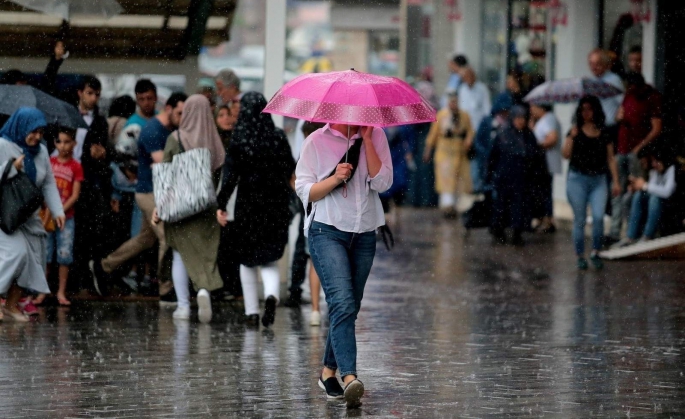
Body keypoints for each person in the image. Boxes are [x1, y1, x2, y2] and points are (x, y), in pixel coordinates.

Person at [296, 119, 392, 408]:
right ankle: (349, 377)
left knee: (350, 305)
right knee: (342, 301)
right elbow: (305, 191)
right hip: (327, 230)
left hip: (364, 233)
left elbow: (383, 182)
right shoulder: (316, 141)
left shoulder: (376, 136)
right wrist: (336, 178)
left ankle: (328, 372)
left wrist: (368, 140)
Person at [91, 93, 187, 297]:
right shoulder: (153, 130)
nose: (182, 117)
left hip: (158, 192)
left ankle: (104, 266)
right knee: (168, 238)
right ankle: (166, 287)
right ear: (168, 109)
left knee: (145, 239)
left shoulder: (170, 129)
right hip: (149, 193)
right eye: (179, 112)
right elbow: (162, 164)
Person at [216, 92, 295, 328]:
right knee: (269, 259)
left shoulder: (240, 139)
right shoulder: (278, 136)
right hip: (276, 206)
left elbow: (229, 177)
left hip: (248, 207)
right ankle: (271, 295)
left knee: (246, 260)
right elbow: (290, 168)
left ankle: (251, 312)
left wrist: (220, 205)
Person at [153, 94, 226, 323]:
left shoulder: (175, 138)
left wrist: (160, 206)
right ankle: (204, 290)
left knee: (179, 254)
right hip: (206, 207)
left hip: (180, 206)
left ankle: (183, 305)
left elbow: (165, 173)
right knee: (205, 255)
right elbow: (221, 176)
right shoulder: (215, 141)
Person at [0, 108, 65, 322]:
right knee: (16, 254)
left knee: (34, 260)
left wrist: (57, 210)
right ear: (21, 127)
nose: (37, 136)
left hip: (27, 216)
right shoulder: (3, 145)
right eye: (32, 131)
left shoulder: (41, 151)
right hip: (5, 216)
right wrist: (11, 167)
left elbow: (47, 182)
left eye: (40, 132)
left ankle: (11, 305)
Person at [563, 96, 621, 270]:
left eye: (589, 109)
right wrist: (571, 138)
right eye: (582, 109)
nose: (586, 113)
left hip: (598, 179)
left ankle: (596, 251)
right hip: (577, 179)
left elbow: (611, 158)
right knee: (579, 219)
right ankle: (580, 255)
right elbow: (565, 154)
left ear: (596, 110)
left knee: (598, 217)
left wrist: (616, 181)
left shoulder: (604, 132)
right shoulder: (574, 131)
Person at [68, 76, 112, 296]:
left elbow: (103, 150)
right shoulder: (68, 116)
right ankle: (71, 281)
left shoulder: (100, 122)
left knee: (87, 233)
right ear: (80, 93)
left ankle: (83, 279)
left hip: (89, 183)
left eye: (96, 94)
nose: (93, 98)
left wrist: (101, 154)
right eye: (89, 93)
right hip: (68, 179)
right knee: (71, 232)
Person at [608, 72, 663, 243]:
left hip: (637, 152)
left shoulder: (651, 97)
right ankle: (616, 230)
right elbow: (619, 117)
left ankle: (634, 231)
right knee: (618, 190)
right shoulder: (628, 96)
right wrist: (619, 117)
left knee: (636, 192)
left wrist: (641, 147)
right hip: (622, 148)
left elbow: (656, 127)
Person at [37, 127, 83, 306]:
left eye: (67, 141)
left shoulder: (76, 166)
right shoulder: (49, 162)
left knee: (64, 255)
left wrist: (60, 210)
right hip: (48, 215)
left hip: (67, 217)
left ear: (74, 143)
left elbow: (75, 195)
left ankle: (60, 292)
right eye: (59, 141)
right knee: (45, 254)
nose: (63, 146)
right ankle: (42, 291)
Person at [487, 106, 544, 246]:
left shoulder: (529, 136)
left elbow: (535, 157)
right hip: (504, 177)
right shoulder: (503, 134)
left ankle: (517, 232)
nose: (520, 121)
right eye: (518, 118)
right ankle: (499, 231)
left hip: (522, 178)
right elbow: (493, 157)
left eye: (523, 118)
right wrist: (489, 175)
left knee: (520, 207)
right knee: (502, 206)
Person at [286, 120, 326, 309]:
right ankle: (301, 294)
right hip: (314, 208)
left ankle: (300, 294)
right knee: (309, 253)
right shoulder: (321, 151)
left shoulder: (309, 152)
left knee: (305, 252)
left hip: (311, 207)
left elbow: (296, 181)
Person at [423, 92, 474, 218]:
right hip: (445, 153)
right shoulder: (441, 115)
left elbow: (470, 132)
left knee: (459, 181)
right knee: (446, 181)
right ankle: (447, 207)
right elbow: (432, 136)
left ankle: (457, 207)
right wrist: (428, 151)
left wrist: (468, 141)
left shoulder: (464, 116)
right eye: (451, 102)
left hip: (460, 152)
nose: (453, 104)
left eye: (455, 102)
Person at [615, 150, 676, 247]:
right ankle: (630, 236)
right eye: (653, 161)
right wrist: (637, 186)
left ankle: (647, 236)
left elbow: (667, 192)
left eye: (657, 161)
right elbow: (649, 188)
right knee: (638, 195)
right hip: (653, 204)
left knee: (654, 198)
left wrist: (645, 185)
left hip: (669, 204)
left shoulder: (671, 169)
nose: (654, 164)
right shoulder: (655, 171)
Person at [215, 104, 242, 301]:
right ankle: (222, 285)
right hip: (218, 199)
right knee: (221, 245)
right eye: (221, 115)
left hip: (234, 200)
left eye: (229, 115)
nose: (226, 119)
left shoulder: (238, 141)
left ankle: (232, 285)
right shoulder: (213, 142)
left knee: (231, 244)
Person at [530, 103, 562, 233]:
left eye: (533, 107)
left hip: (546, 163)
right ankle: (543, 218)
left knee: (545, 192)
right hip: (541, 164)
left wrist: (537, 145)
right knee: (541, 192)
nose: (531, 110)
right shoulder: (542, 120)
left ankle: (548, 220)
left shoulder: (549, 119)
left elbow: (552, 138)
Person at [473, 93, 514, 194]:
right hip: (487, 161)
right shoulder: (487, 122)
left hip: (503, 163)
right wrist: (484, 154)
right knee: (487, 188)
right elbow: (478, 141)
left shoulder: (510, 124)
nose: (505, 112)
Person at [588, 49, 624, 127]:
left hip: (610, 126)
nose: (593, 67)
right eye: (591, 64)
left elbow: (623, 102)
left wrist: (617, 118)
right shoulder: (592, 80)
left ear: (605, 64)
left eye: (597, 64)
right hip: (596, 127)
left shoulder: (613, 80)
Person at [457, 67, 492, 134]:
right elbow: (460, 106)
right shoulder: (462, 89)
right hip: (465, 127)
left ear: (474, 76)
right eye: (466, 77)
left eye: (470, 76)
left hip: (478, 126)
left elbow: (487, 108)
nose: (468, 78)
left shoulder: (482, 89)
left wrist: (485, 124)